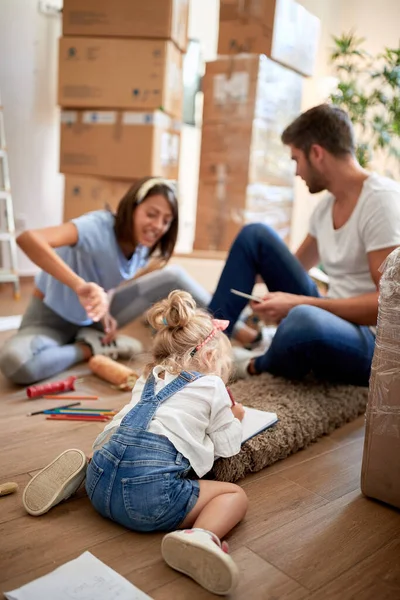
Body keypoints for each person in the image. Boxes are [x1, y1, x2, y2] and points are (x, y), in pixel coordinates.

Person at [22, 291, 248, 596]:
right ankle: (201, 537)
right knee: (234, 495)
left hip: (99, 488)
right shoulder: (212, 386)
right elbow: (227, 448)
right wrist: (235, 417)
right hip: (148, 503)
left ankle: (83, 470)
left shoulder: (148, 379)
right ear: (209, 357)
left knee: (122, 442)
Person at [209, 104, 400, 386]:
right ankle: (206, 349)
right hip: (330, 312)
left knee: (302, 321)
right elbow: (291, 268)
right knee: (255, 236)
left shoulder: (381, 201)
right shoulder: (325, 208)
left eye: (296, 159)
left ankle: (254, 364)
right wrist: (253, 286)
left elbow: (389, 306)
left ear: (317, 153)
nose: (297, 171)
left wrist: (299, 303)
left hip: (372, 339)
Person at [0, 177, 209, 385]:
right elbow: (27, 239)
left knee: (174, 276)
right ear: (132, 208)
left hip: (93, 319)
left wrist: (106, 311)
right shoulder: (96, 227)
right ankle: (91, 348)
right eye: (151, 214)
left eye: (166, 220)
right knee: (15, 362)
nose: (158, 226)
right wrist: (79, 285)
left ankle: (235, 328)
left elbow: (108, 276)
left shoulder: (143, 247)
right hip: (50, 322)